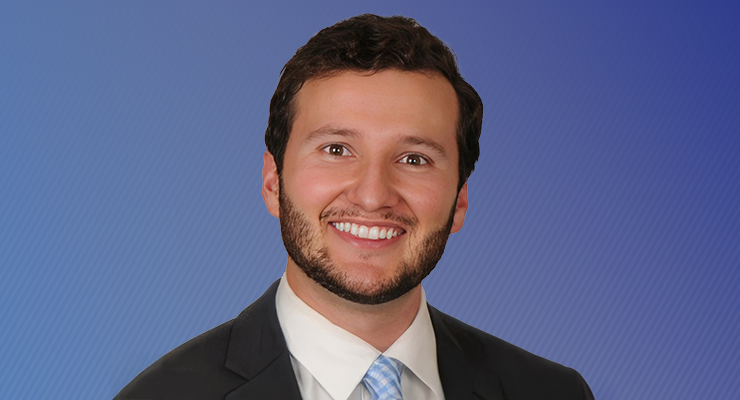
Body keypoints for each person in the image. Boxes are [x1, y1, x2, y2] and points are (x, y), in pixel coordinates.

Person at [115, 14, 594, 400]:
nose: (372, 195)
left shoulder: (553, 392)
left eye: (414, 159)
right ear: (272, 181)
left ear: (460, 200)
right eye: (337, 149)